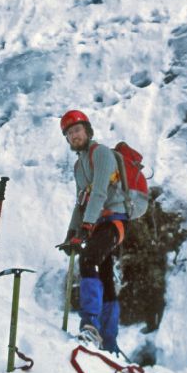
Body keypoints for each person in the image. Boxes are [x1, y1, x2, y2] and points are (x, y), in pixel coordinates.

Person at [57, 109, 128, 351]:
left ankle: (90, 325)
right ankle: (110, 341)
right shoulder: (79, 167)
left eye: (77, 130)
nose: (74, 136)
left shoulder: (102, 154)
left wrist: (86, 227)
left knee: (89, 260)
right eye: (69, 134)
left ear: (87, 131)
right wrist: (72, 232)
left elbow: (99, 192)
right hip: (98, 223)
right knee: (105, 277)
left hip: (115, 219)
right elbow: (82, 201)